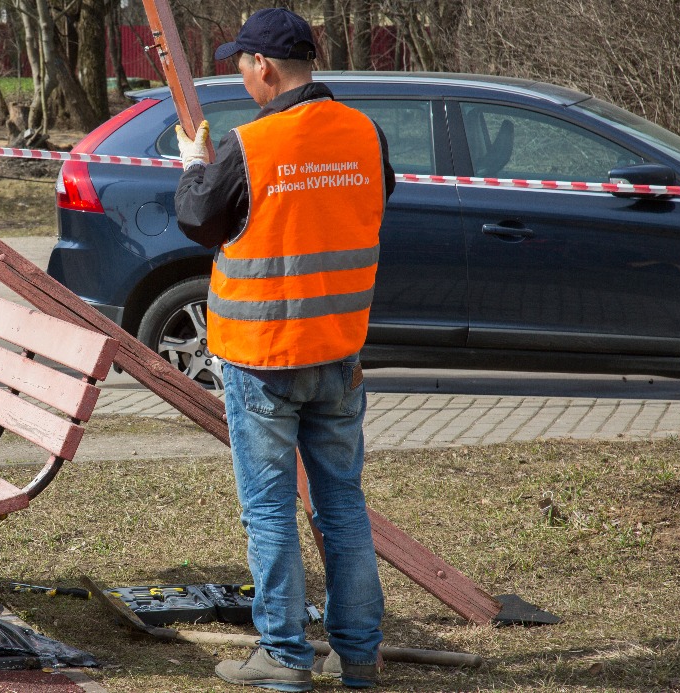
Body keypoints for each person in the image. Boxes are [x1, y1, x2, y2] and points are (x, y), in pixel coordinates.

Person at [173, 8, 396, 692]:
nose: (239, 74)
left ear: (263, 68)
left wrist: (193, 165)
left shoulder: (253, 143)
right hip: (339, 353)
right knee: (343, 505)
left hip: (264, 358)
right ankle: (358, 656)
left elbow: (198, 218)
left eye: (241, 63)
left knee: (269, 508)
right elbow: (372, 198)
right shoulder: (365, 132)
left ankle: (283, 656)